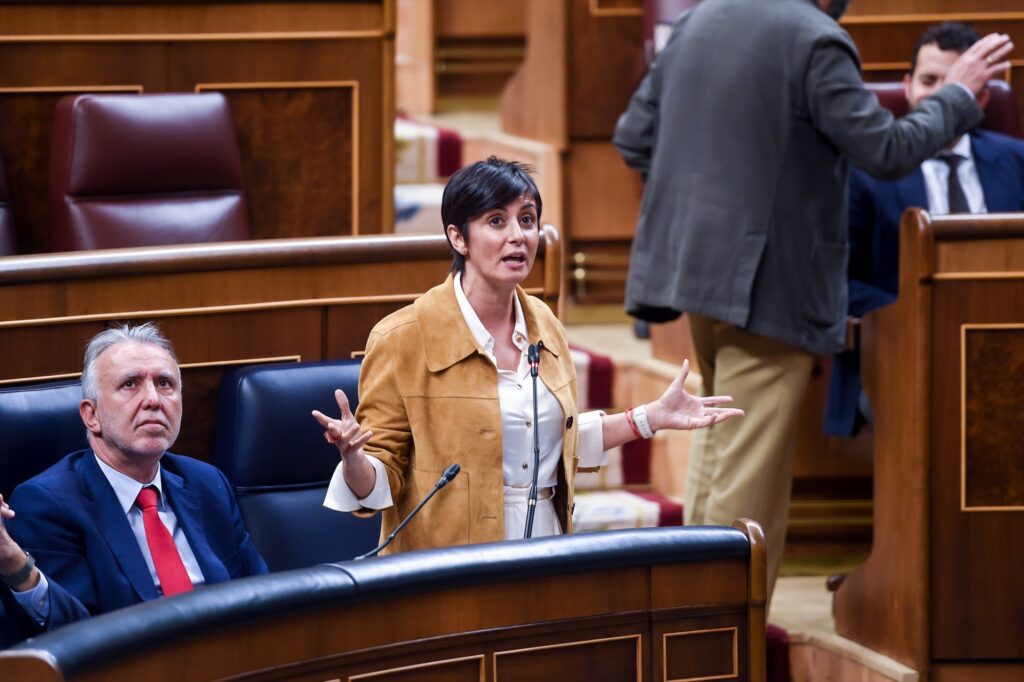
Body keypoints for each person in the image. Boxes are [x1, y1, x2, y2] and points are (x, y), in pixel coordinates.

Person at [612, 0, 1013, 598]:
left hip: (699, 274)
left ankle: (689, 618)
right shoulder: (815, 38)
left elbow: (633, 138)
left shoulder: (701, 18)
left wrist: (713, 207)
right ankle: (720, 635)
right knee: (748, 482)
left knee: (719, 452)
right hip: (773, 285)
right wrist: (956, 95)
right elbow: (887, 151)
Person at [314, 157, 743, 553]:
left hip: (545, 548)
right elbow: (378, 485)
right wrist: (355, 460)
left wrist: (649, 418)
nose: (518, 236)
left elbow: (556, 442)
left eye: (527, 220)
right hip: (446, 566)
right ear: (458, 237)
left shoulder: (545, 324)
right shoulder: (402, 338)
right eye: (496, 222)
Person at [0, 323, 267, 646]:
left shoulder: (207, 484)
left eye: (165, 383)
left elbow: (263, 597)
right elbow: (70, 640)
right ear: (91, 415)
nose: (153, 399)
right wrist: (17, 567)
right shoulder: (47, 504)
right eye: (130, 384)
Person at [826, 21, 1024, 437]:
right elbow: (839, 281)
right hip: (902, 353)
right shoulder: (866, 171)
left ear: (982, 96)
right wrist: (922, 313)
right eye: (929, 80)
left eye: (954, 83)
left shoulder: (1017, 161)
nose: (939, 95)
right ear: (908, 86)